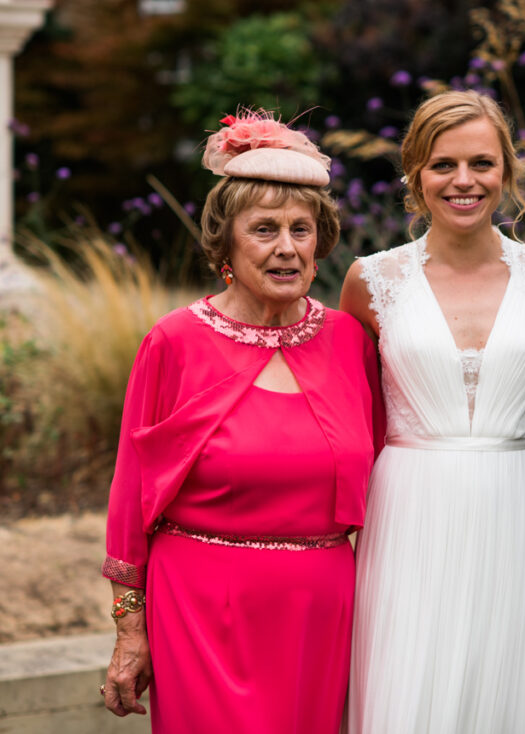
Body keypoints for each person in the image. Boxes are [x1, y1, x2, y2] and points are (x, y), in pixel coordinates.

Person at [101, 111, 384, 732]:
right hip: (200, 607)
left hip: (320, 610)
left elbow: (387, 467)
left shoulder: (350, 341)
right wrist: (130, 629)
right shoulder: (173, 342)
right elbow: (129, 495)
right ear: (224, 245)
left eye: (301, 229)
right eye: (263, 229)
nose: (286, 246)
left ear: (321, 241)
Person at [340, 90, 525, 734]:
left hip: (518, 506)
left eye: (481, 162)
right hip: (409, 511)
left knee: (514, 690)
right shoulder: (371, 280)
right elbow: (347, 418)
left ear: (506, 170)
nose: (464, 181)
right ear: (415, 174)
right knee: (411, 687)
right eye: (443, 164)